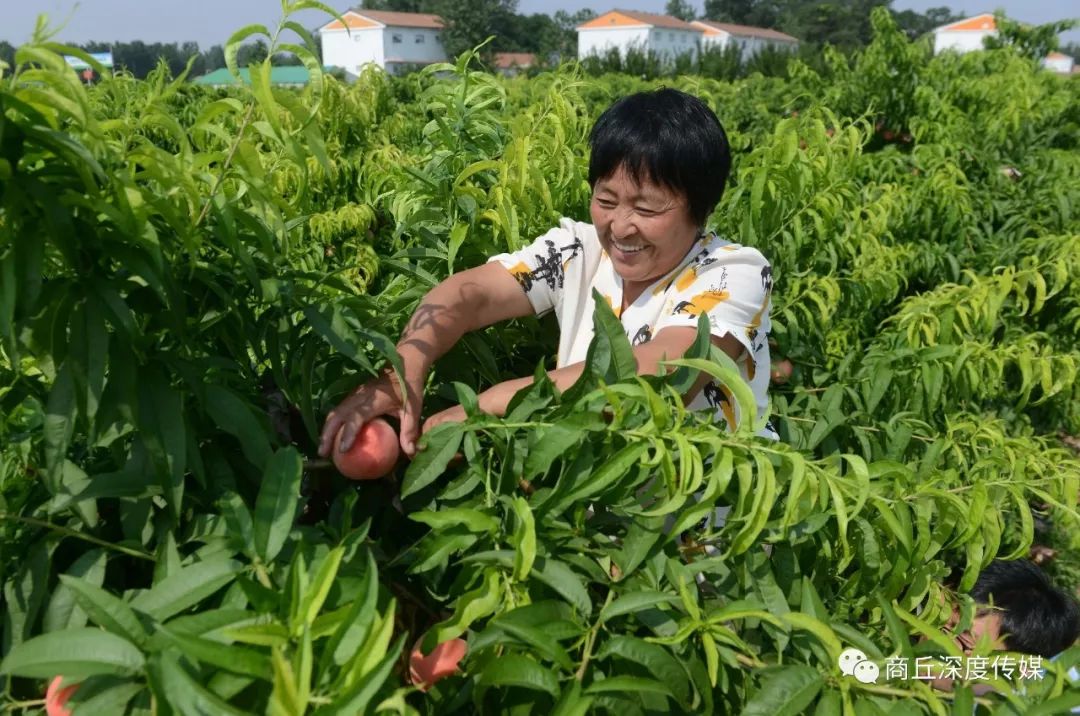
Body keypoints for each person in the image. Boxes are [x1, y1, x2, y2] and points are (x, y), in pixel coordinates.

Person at [318, 88, 775, 463]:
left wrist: (486, 410)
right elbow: (469, 294)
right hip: (590, 531)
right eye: (607, 200)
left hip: (706, 547)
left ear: (702, 208)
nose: (619, 227)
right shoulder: (578, 250)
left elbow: (658, 375)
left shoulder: (732, 273)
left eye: (646, 207)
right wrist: (405, 367)